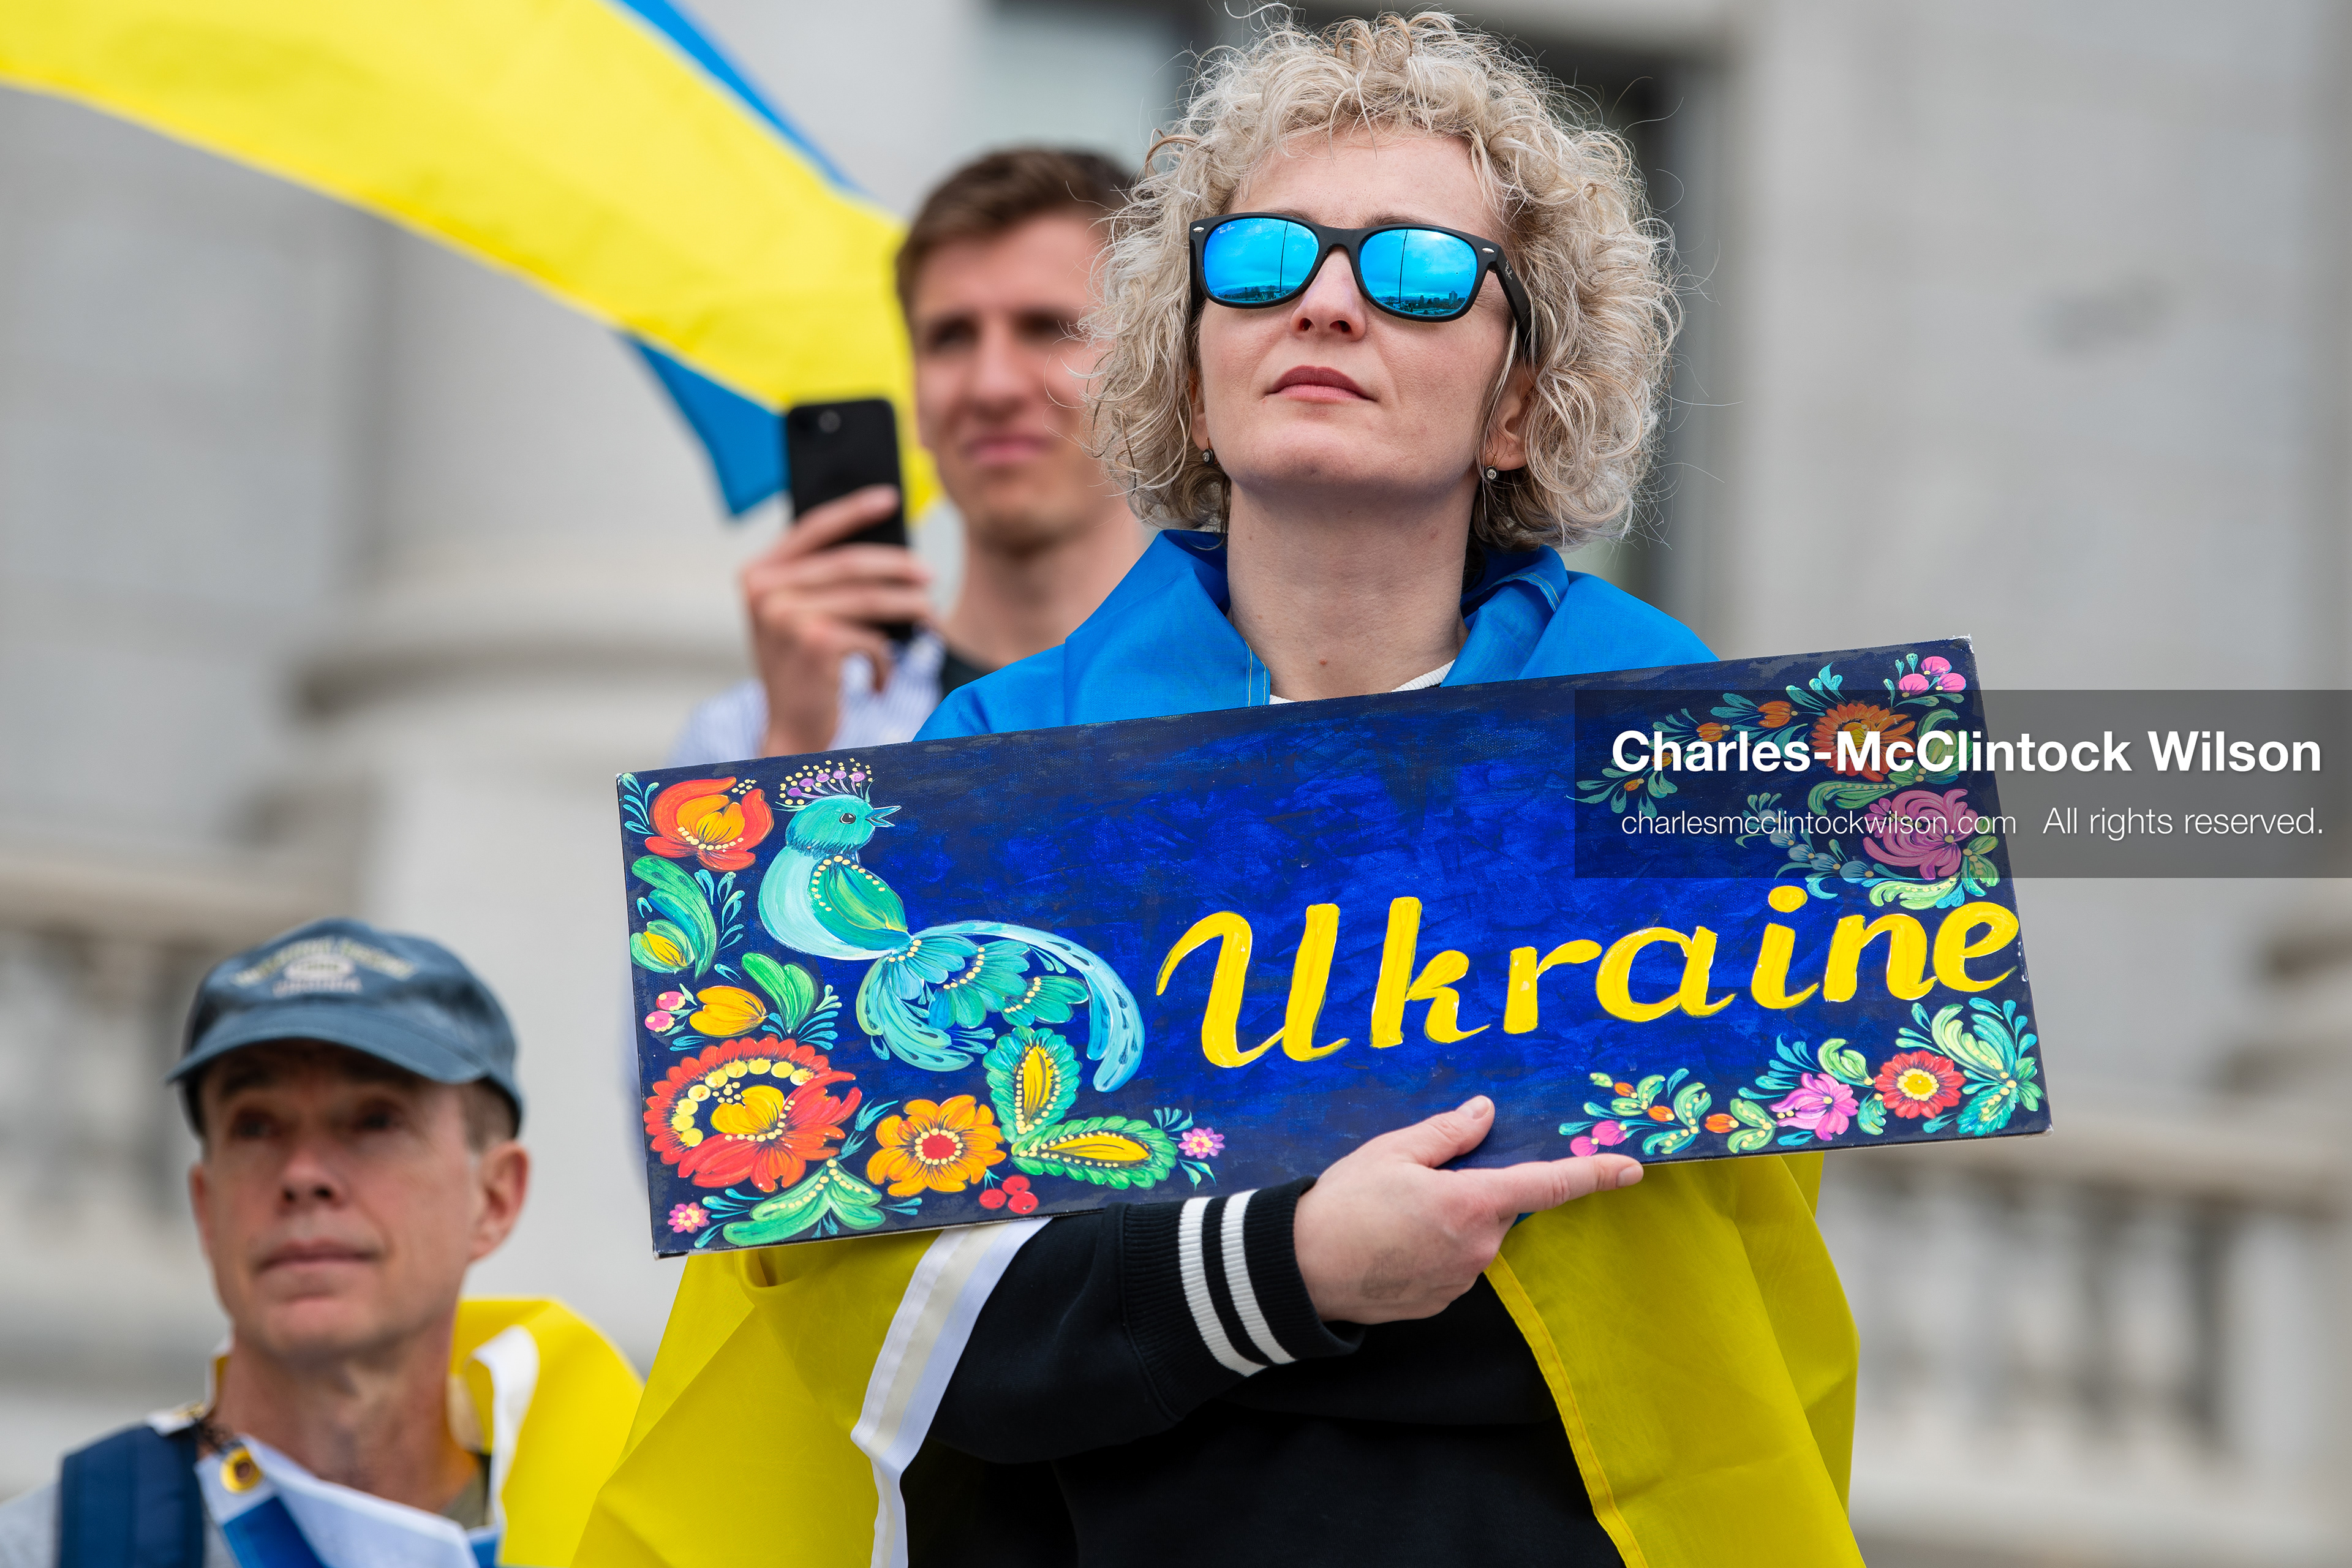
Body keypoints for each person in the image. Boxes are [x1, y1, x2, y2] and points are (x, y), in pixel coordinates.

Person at [580, 15, 1860, 1568]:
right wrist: (1290, 1261)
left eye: (1416, 270)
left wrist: (1154, 1278)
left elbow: (1701, 1308)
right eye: (1259, 263)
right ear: (1192, 380)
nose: (1324, 299)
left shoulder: (1687, 758)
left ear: (1519, 403)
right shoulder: (985, 755)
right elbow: (885, 1328)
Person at [0, 918, 641, 1568]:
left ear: (495, 1198)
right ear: (206, 1206)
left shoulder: (620, 1536)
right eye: (256, 1126)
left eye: (375, 1120)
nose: (303, 1174)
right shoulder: (53, 1549)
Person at [668, 146, 1148, 766]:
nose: (991, 386)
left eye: (1046, 327)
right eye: (951, 337)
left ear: (1151, 370)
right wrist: (794, 754)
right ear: (916, 394)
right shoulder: (741, 739)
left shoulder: (1248, 702)